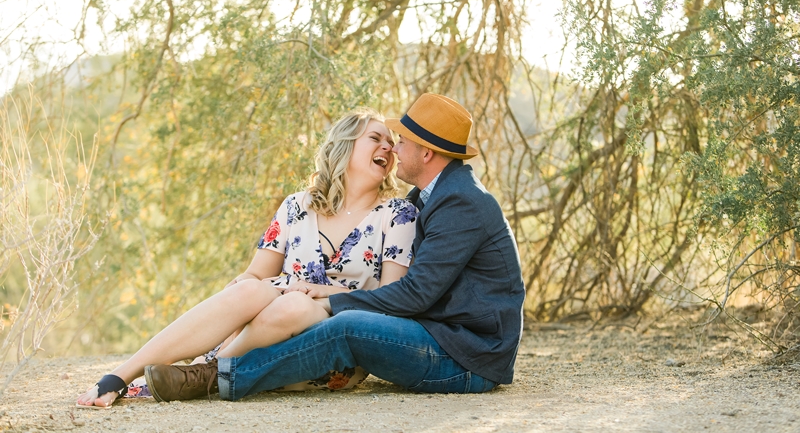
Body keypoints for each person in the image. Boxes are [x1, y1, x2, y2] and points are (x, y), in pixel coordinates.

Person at [144, 92, 525, 400]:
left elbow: (415, 293)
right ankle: (186, 369)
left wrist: (326, 299)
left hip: (467, 356)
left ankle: (213, 378)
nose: (395, 149)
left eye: (402, 141)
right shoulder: (432, 196)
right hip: (449, 338)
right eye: (384, 139)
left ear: (426, 153)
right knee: (320, 316)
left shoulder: (456, 201)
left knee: (347, 326)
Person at [76, 108, 417, 408]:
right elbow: (256, 275)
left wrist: (327, 294)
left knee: (295, 305)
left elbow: (388, 300)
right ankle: (120, 377)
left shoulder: (398, 214)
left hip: (329, 345)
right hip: (265, 327)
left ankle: (200, 374)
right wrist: (237, 298)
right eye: (376, 138)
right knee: (249, 289)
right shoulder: (297, 206)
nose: (389, 147)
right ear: (344, 143)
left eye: (392, 143)